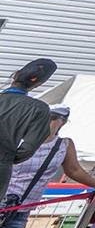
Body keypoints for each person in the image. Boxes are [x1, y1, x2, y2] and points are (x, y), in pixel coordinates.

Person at [1, 106, 95, 228]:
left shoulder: (63, 144)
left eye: (57, 118)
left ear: (63, 122)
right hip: (3, 199)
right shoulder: (18, 138)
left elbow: (73, 169)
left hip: (21, 209)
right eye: (50, 117)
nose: (52, 122)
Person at [1, 60, 56, 196]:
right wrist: (7, 158)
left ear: (16, 75)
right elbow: (28, 148)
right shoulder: (39, 109)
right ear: (39, 83)